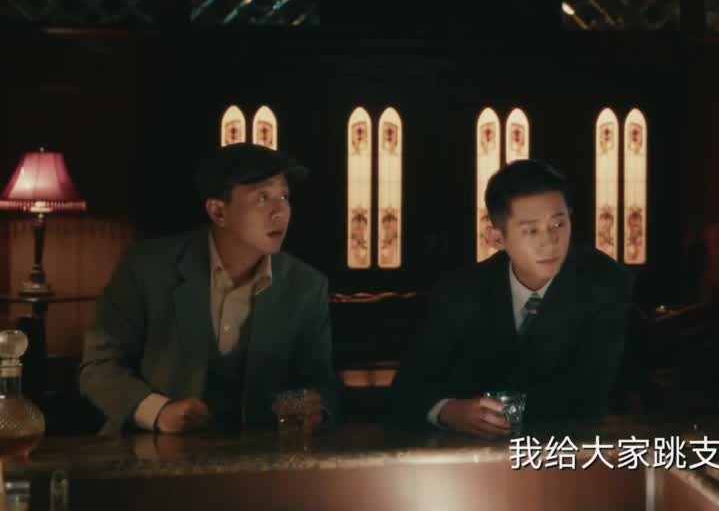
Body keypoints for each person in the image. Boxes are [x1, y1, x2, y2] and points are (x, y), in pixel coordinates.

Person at [80, 143, 341, 435]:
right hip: (147, 449)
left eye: (284, 197)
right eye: (263, 197)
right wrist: (158, 412)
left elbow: (321, 381)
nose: (280, 211)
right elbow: (98, 366)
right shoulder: (148, 268)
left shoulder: (306, 286)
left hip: (259, 454)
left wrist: (316, 406)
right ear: (218, 212)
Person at [387, 159, 633, 437]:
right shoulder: (461, 291)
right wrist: (450, 411)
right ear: (496, 238)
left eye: (558, 224)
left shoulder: (604, 283)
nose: (549, 241)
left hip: (570, 447)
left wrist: (500, 413)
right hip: (471, 450)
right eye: (531, 230)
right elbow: (407, 388)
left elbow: (589, 393)